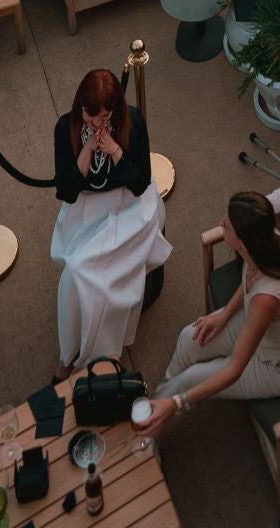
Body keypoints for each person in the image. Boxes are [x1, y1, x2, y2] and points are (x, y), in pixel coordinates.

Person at [142, 190, 280, 427]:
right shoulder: (265, 242)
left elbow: (235, 370)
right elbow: (250, 282)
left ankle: (153, 420)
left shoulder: (267, 298)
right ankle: (163, 395)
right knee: (189, 338)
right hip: (266, 329)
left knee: (192, 380)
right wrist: (224, 315)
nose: (219, 224)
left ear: (243, 241)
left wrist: (178, 402)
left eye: (225, 225)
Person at [51, 67, 170, 377]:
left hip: (129, 205)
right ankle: (71, 352)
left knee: (100, 275)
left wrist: (116, 151)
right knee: (75, 272)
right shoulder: (67, 127)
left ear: (114, 110)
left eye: (103, 118)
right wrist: (87, 151)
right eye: (90, 119)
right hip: (88, 206)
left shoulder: (133, 123)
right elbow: (65, 190)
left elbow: (141, 183)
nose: (97, 125)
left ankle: (101, 352)